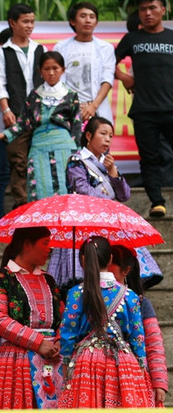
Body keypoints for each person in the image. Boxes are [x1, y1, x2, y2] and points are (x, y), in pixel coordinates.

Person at [63, 116, 162, 289]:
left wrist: (113, 172)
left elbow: (124, 195)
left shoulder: (107, 162)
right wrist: (109, 203)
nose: (108, 139)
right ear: (88, 135)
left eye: (110, 136)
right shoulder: (76, 161)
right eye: (103, 134)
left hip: (108, 220)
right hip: (86, 221)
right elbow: (82, 189)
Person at [59, 236, 153, 409]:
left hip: (87, 363)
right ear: (110, 259)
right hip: (122, 362)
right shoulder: (129, 295)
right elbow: (137, 335)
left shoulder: (76, 293)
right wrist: (141, 363)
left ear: (83, 260)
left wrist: (65, 361)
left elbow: (68, 330)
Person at [0, 226, 62, 409]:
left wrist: (59, 340)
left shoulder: (49, 280)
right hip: (17, 361)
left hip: (52, 361)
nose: (49, 248)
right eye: (45, 243)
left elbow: (62, 317)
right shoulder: (2, 278)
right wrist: (37, 342)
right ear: (27, 244)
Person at [0, 51, 82, 204]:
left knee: (66, 190)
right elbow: (24, 123)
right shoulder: (34, 96)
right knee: (41, 190)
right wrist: (4, 135)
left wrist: (77, 153)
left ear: (63, 70)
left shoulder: (71, 95)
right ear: (40, 71)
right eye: (47, 69)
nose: (51, 73)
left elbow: (76, 125)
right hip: (39, 150)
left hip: (65, 149)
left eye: (55, 68)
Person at [115, 0, 173, 218]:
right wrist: (123, 76)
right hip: (144, 111)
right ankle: (156, 201)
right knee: (149, 158)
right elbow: (108, 62)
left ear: (163, 10)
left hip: (171, 109)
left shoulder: (171, 37)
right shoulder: (132, 39)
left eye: (152, 8)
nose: (148, 13)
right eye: (143, 9)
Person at [0, 4, 44, 211]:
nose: (29, 26)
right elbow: (0, 83)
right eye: (25, 21)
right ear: (13, 23)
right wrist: (5, 110)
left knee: (34, 163)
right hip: (12, 115)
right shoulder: (2, 52)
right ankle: (8, 209)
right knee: (10, 164)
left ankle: (35, 207)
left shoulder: (40, 49)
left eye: (32, 21)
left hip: (37, 117)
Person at [109, 245, 167, 406]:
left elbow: (154, 343)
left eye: (112, 263)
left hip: (135, 377)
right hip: (101, 376)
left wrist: (159, 383)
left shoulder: (141, 303)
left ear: (126, 270)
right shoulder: (89, 298)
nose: (105, 267)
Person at [54, 2, 116, 123]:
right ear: (73, 21)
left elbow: (107, 79)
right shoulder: (61, 47)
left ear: (96, 22)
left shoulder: (105, 48)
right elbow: (59, 80)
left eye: (92, 17)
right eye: (83, 16)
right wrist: (73, 105)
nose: (88, 20)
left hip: (97, 109)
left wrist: (93, 106)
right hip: (70, 108)